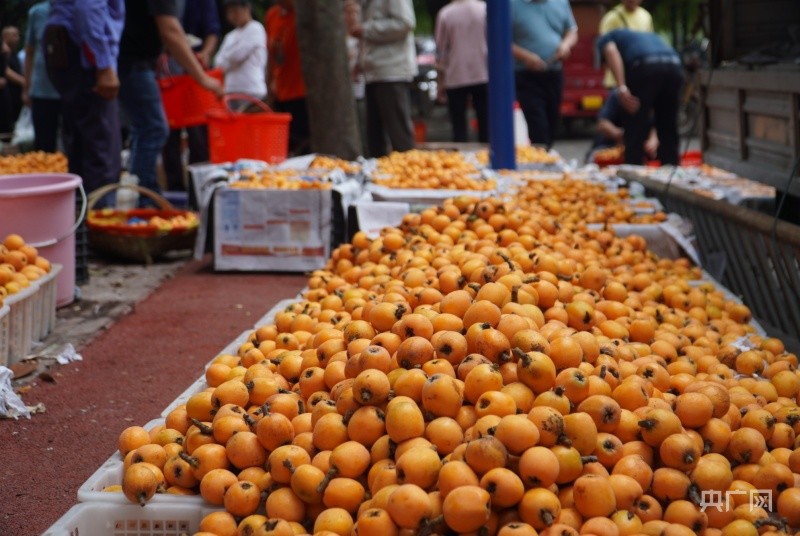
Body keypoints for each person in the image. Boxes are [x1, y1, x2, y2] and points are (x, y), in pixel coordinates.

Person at [117, 0, 223, 198]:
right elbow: (170, 30)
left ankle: (137, 194)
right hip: (133, 63)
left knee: (144, 130)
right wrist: (203, 78)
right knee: (154, 129)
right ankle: (144, 198)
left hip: (130, 62)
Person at [43, 0, 124, 204]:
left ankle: (79, 226)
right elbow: (88, 8)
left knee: (81, 149)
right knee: (101, 154)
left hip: (66, 45)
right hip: (82, 53)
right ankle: (100, 227)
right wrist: (103, 64)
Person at [597, 28, 683, 166]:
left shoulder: (606, 37)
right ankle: (672, 173)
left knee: (634, 127)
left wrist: (621, 87)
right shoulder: (648, 37)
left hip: (644, 66)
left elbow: (611, 51)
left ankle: (634, 178)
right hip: (674, 65)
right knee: (668, 126)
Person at [161, 0, 220, 192]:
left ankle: (199, 189)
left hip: (195, 68)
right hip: (167, 71)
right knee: (168, 131)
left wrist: (206, 53)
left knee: (198, 134)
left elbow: (213, 30)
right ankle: (174, 188)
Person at [345, 0, 417, 158]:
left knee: (399, 136)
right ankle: (380, 177)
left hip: (391, 71)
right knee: (374, 138)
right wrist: (359, 62)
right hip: (373, 72)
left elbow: (405, 23)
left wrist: (366, 29)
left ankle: (408, 174)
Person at [510, 0, 578, 149]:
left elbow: (572, 31)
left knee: (552, 122)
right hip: (526, 75)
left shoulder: (560, 3)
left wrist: (565, 45)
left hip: (554, 72)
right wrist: (526, 57)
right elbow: (502, 41)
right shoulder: (512, 5)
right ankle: (541, 159)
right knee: (537, 124)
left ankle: (545, 157)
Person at [434, 0, 489, 143]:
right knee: (486, 123)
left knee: (458, 126)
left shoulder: (446, 13)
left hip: (456, 74)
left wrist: (440, 82)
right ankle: (487, 157)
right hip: (482, 72)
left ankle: (461, 158)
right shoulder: (483, 9)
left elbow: (441, 51)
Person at [266, 0, 310, 155]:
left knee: (303, 142)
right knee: (285, 144)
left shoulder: (303, 13)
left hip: (302, 91)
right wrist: (269, 81)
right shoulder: (272, 15)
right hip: (280, 91)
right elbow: (271, 55)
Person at [23, 1, 65, 152]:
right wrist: (26, 88)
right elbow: (29, 51)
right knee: (44, 145)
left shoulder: (81, 9)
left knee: (74, 144)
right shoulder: (37, 12)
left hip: (71, 89)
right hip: (41, 89)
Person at [215, 0, 267, 107]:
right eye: (229, 12)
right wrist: (230, 59)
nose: (232, 15)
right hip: (230, 90)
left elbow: (236, 56)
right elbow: (218, 62)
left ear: (247, 8)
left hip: (251, 89)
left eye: (235, 11)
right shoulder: (230, 36)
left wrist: (228, 58)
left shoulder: (255, 28)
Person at [587, 88, 658, 162]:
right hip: (610, 146)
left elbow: (653, 123)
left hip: (639, 150)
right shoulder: (617, 95)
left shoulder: (649, 95)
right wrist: (621, 135)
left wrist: (653, 139)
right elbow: (602, 124)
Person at [599, 0, 653, 88]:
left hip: (640, 78)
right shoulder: (612, 17)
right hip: (616, 81)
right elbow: (606, 48)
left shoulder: (646, 16)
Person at [2, 27, 24, 124]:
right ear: (5, 37)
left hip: (16, 95)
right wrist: (24, 82)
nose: (18, 38)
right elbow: (6, 71)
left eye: (18, 35)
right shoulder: (4, 52)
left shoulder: (15, 54)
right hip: (8, 93)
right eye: (14, 35)